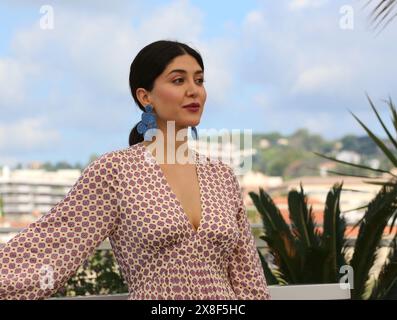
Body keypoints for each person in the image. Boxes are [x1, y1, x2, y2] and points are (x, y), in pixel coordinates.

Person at [0, 40, 270, 300]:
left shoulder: (221, 176)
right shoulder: (116, 172)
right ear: (145, 96)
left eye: (199, 80)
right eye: (179, 80)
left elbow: (249, 279)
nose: (194, 90)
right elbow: (51, 245)